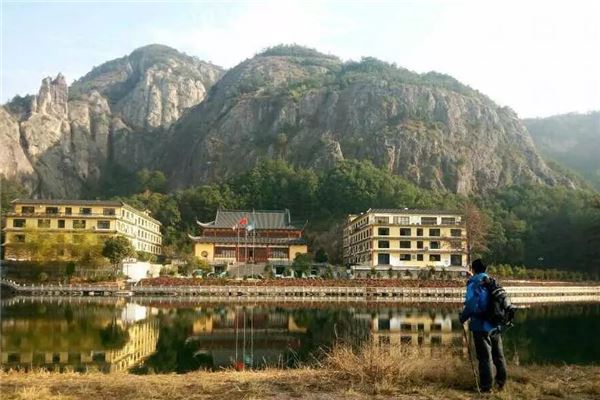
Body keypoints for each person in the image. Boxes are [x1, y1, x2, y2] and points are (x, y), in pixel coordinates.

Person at [459, 259, 508, 393]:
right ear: (485, 269)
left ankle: (486, 387)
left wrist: (463, 317)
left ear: (473, 269)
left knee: (485, 357)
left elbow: (471, 304)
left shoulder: (474, 282)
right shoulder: (491, 281)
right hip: (495, 323)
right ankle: (501, 383)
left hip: (480, 325)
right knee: (498, 355)